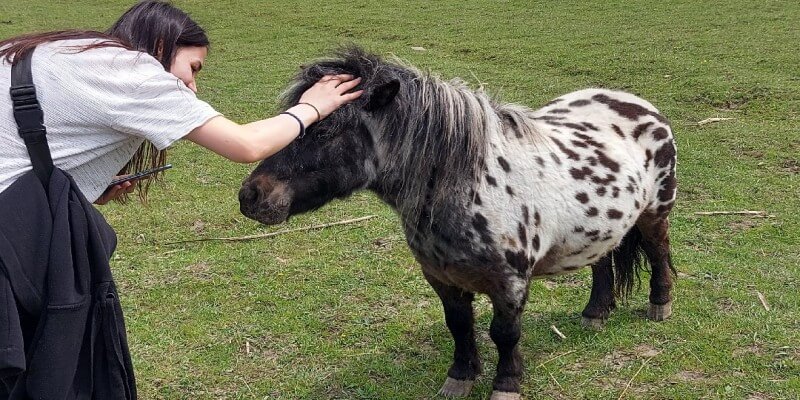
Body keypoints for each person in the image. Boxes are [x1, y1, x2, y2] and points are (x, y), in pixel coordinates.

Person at [0, 1, 362, 398]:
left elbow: (25, 144)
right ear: (160, 43)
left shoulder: (60, 51)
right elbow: (247, 144)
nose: (192, 86)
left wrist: (88, 187)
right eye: (193, 68)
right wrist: (312, 107)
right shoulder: (134, 72)